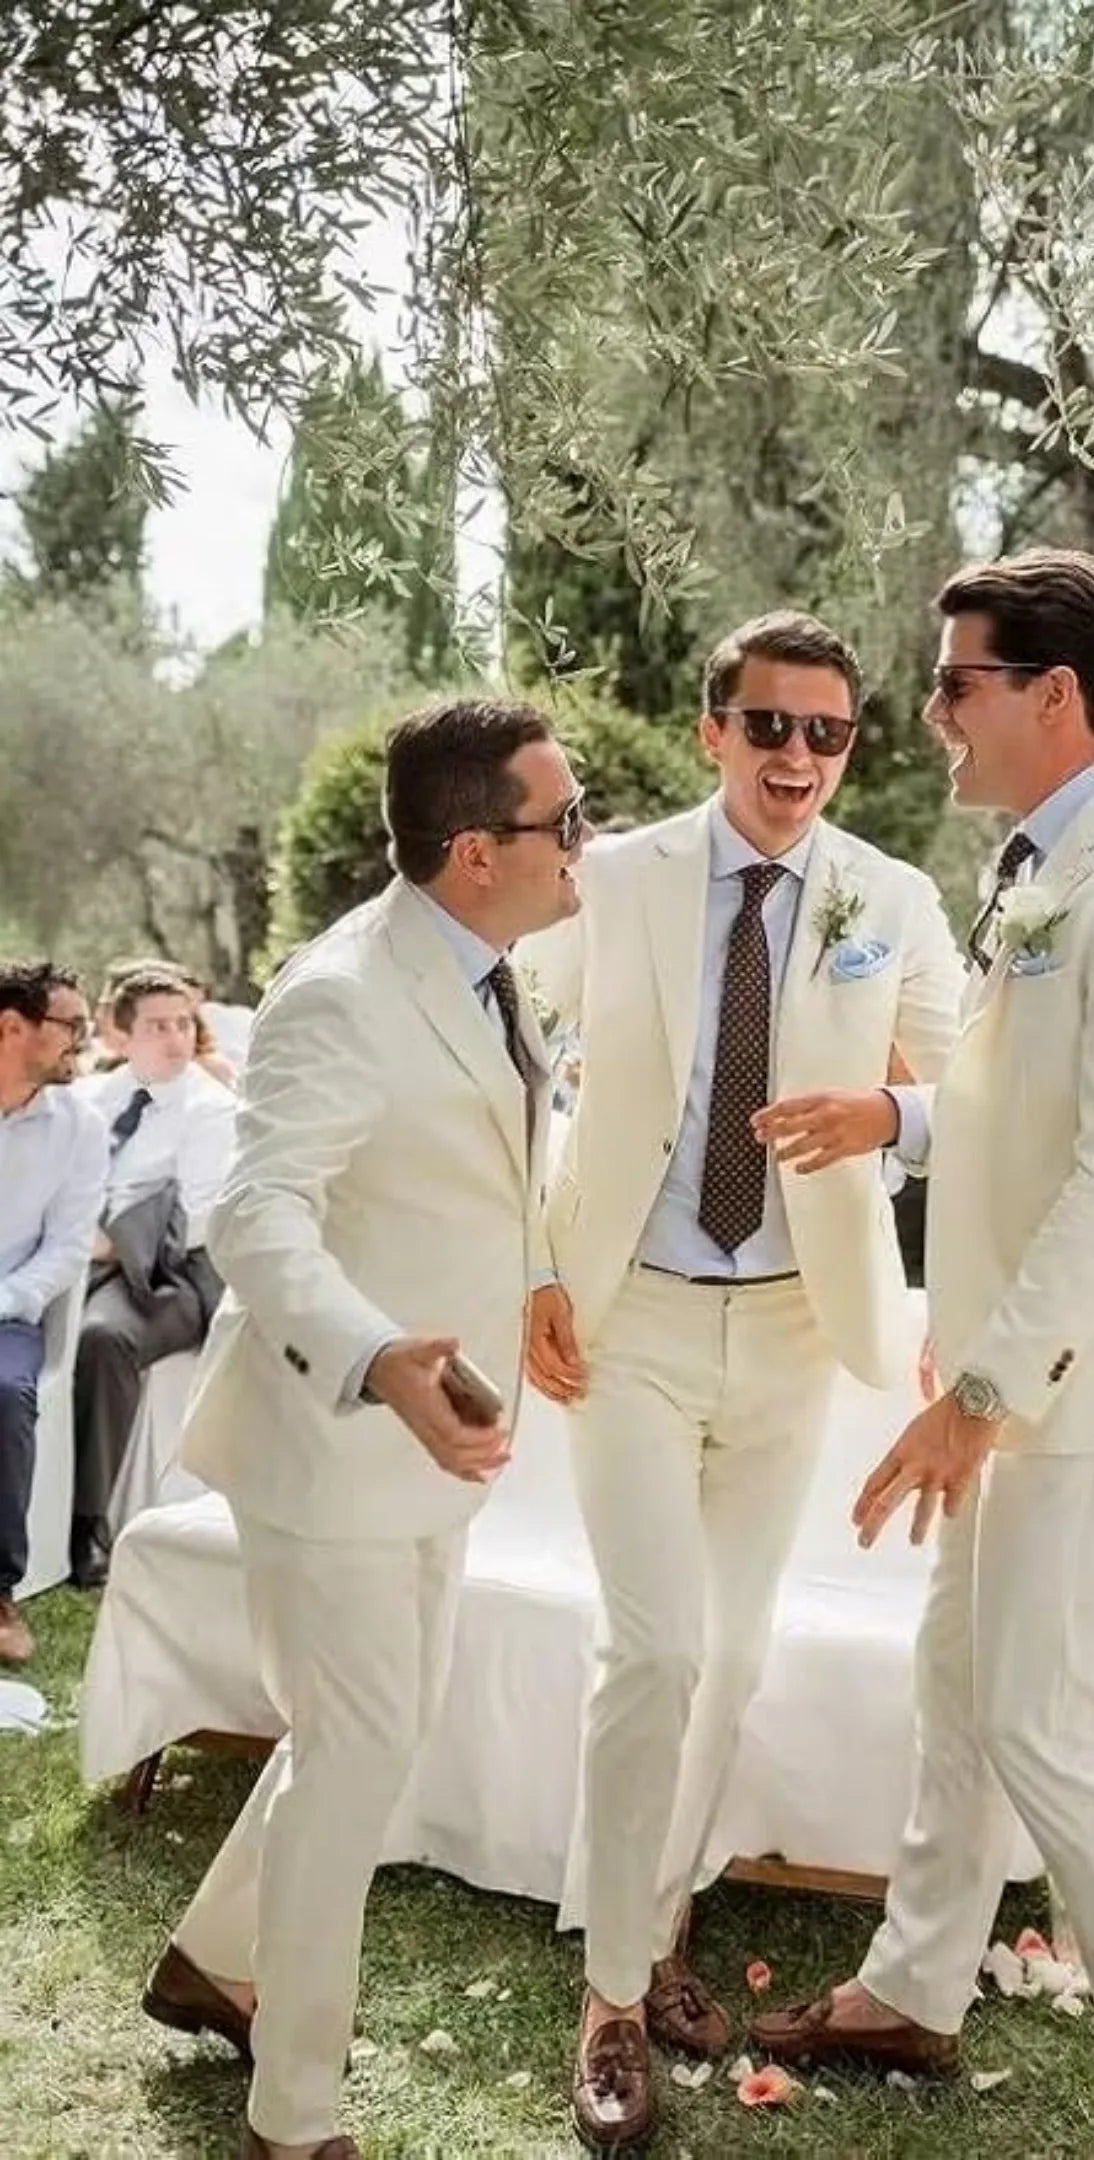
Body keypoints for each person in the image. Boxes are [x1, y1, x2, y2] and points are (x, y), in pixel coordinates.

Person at [750, 550, 1094, 2160]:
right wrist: (891, 1114)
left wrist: (981, 1393)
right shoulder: (1049, 861)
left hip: (1082, 1385)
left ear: (1053, 695)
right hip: (1013, 1364)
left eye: (957, 683)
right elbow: (1027, 1100)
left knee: (1049, 1730)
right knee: (958, 1687)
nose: (934, 714)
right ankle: (912, 1989)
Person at [520, 609, 963, 2152]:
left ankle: (657, 1924)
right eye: (767, 726)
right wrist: (530, 1269)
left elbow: (974, 1080)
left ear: (852, 748)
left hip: (791, 1327)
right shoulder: (616, 876)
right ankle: (614, 1997)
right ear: (715, 730)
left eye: (826, 734)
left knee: (733, 1654)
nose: (796, 756)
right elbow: (513, 1052)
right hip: (630, 1315)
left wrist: (888, 1115)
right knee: (650, 1650)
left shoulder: (888, 897)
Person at [141, 699, 585, 2160]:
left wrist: (529, 1288)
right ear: (475, 852)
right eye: (561, 822)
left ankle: (218, 1958)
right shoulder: (341, 991)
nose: (583, 845)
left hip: (436, 1445)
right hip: (334, 1445)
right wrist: (380, 1353)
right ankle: (297, 2114)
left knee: (364, 1749)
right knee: (357, 1762)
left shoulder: (490, 965)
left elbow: (473, 1168)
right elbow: (257, 1217)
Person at [70, 968, 239, 1585]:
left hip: (170, 1276)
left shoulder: (211, 1110)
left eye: (184, 1023)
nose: (176, 1038)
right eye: (158, 1026)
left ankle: (88, 1524)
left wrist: (104, 1237)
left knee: (102, 1339)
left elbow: (190, 1222)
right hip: (78, 1256)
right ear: (121, 1035)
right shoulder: (93, 1097)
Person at [0, 962, 107, 1663]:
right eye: (71, 1025)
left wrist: (6, 1300)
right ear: (13, 1027)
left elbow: (70, 1248)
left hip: (8, 1312)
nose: (85, 1039)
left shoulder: (81, 1125)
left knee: (5, 1396)